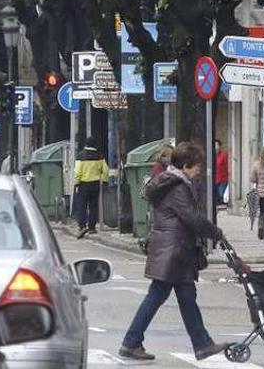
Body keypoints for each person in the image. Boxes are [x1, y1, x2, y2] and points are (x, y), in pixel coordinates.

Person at [119, 142, 231, 361]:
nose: (199, 170)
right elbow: (190, 217)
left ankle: (202, 344)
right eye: (197, 165)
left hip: (174, 249)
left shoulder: (172, 181)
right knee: (158, 296)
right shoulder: (179, 186)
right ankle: (131, 342)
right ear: (187, 165)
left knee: (186, 297)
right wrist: (216, 232)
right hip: (174, 250)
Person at [74, 136, 109, 239]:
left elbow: (77, 172)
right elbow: (106, 170)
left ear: (86, 144)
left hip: (83, 184)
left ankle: (82, 226)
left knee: (82, 206)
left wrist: (76, 183)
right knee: (93, 206)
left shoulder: (80, 156)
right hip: (95, 184)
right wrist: (104, 180)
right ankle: (92, 227)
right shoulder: (100, 156)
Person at [214, 139, 229, 209]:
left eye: (217, 145)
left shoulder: (224, 155)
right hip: (214, 179)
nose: (215, 147)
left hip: (223, 179)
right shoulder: (212, 156)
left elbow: (227, 166)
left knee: (221, 195)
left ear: (220, 146)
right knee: (217, 198)